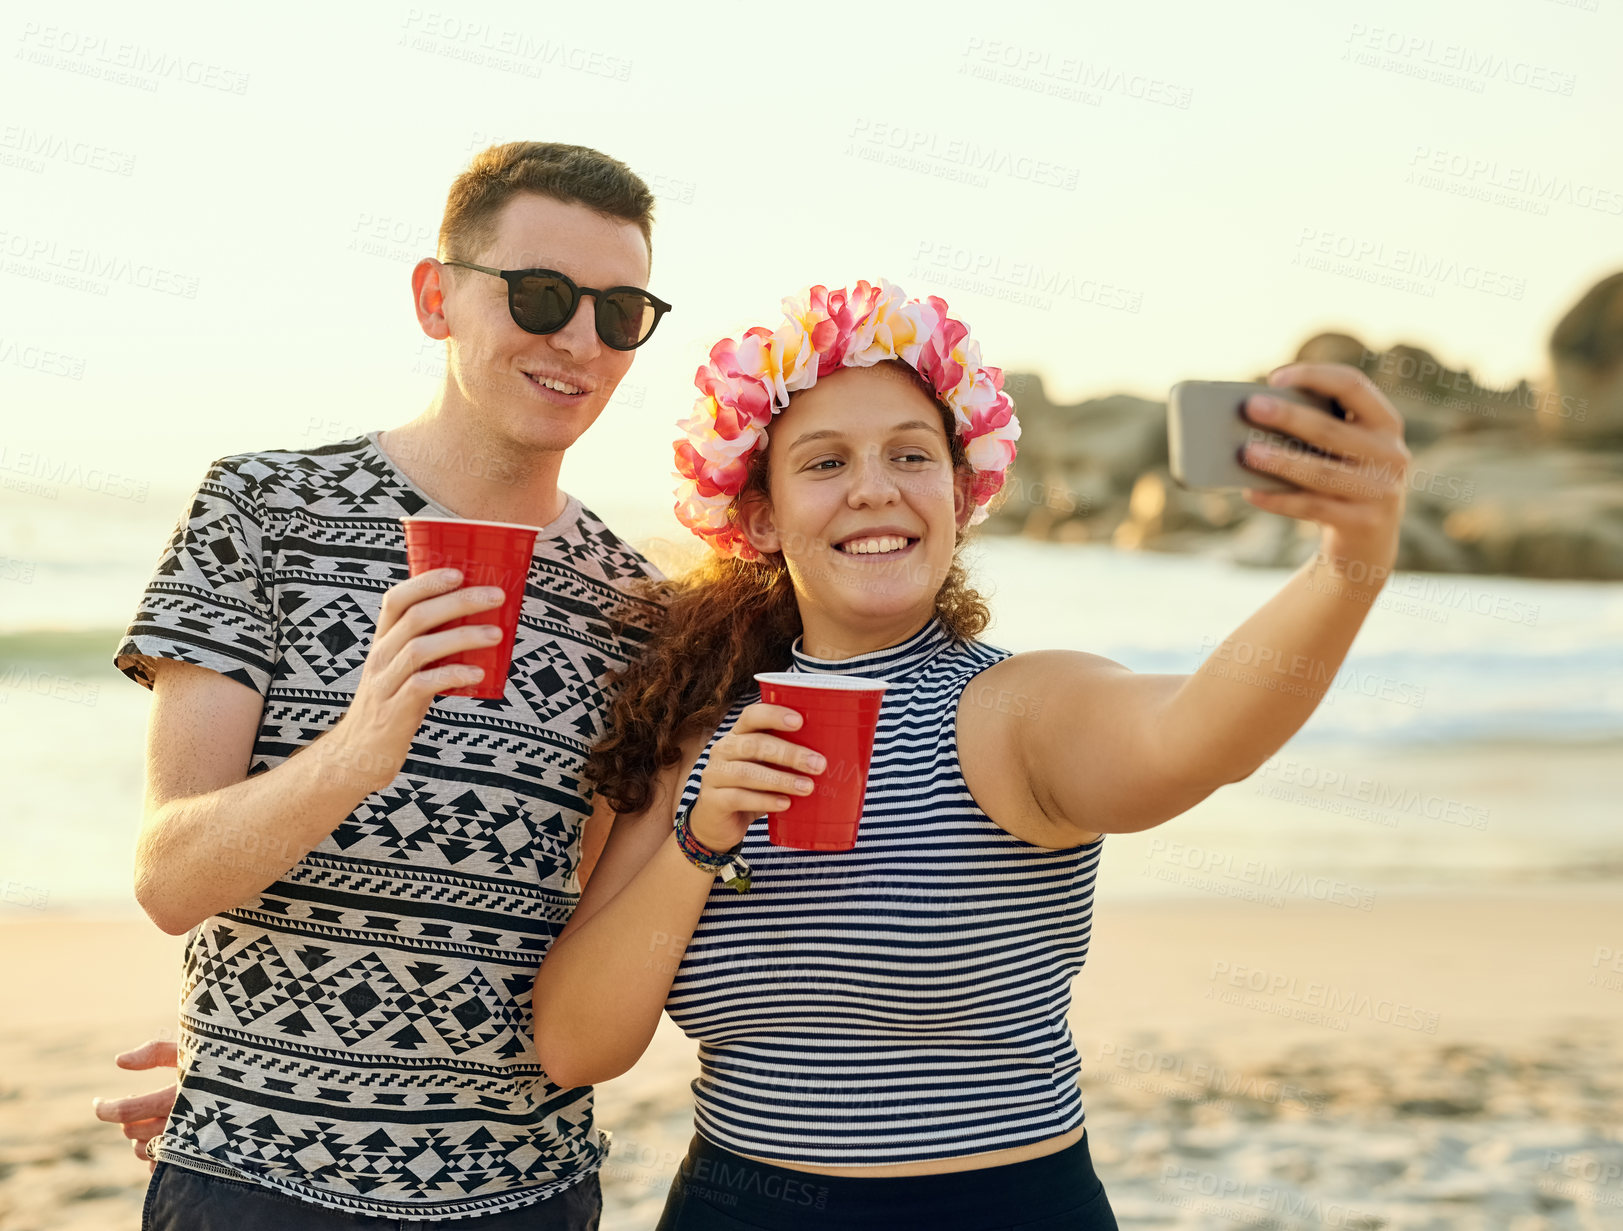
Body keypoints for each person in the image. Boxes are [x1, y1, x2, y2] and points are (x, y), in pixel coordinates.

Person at [528, 279, 1410, 1229]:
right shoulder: (697, 729)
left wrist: (1348, 559)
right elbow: (575, 1045)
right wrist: (699, 841)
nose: (874, 487)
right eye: (824, 463)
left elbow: (1197, 735)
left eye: (910, 455)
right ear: (763, 518)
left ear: (958, 491)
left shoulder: (1014, 710)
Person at [97, 141, 672, 1228]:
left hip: (524, 1192)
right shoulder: (263, 511)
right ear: (434, 298)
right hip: (252, 1188)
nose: (579, 340)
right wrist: (364, 744)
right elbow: (170, 878)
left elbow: (581, 941)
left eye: (621, 311)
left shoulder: (636, 607)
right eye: (541, 295)